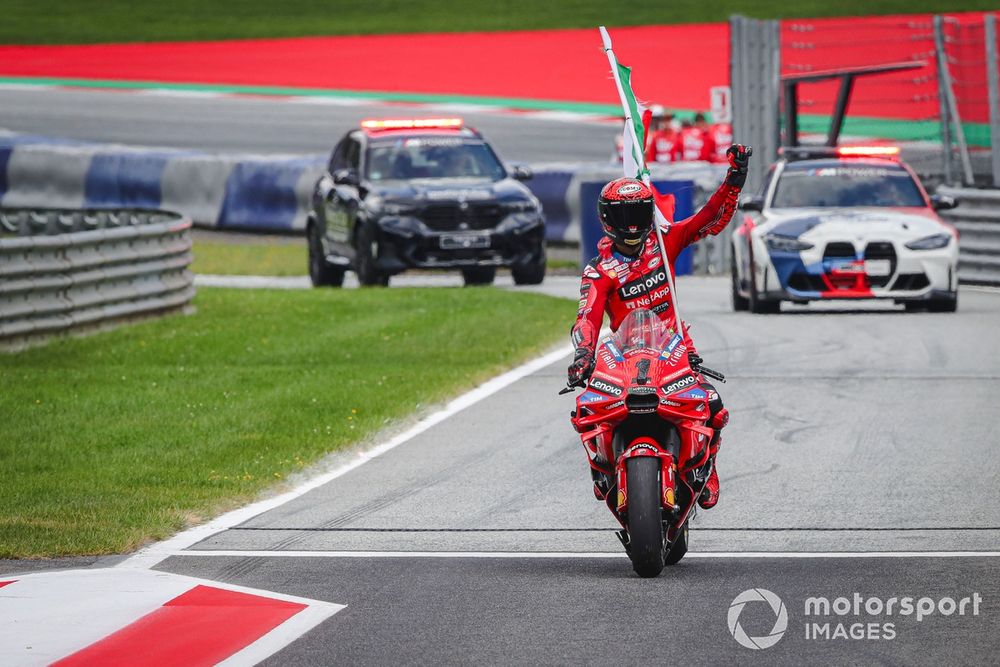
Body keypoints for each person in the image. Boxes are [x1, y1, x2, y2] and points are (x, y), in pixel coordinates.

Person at [567, 144, 752, 510]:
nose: (631, 225)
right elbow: (587, 317)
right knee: (586, 409)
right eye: (623, 216)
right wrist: (583, 357)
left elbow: (709, 219)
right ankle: (604, 470)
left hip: (675, 350)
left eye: (638, 213)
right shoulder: (598, 270)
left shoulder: (665, 244)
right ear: (606, 220)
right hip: (623, 356)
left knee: (712, 405)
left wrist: (735, 178)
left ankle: (706, 467)